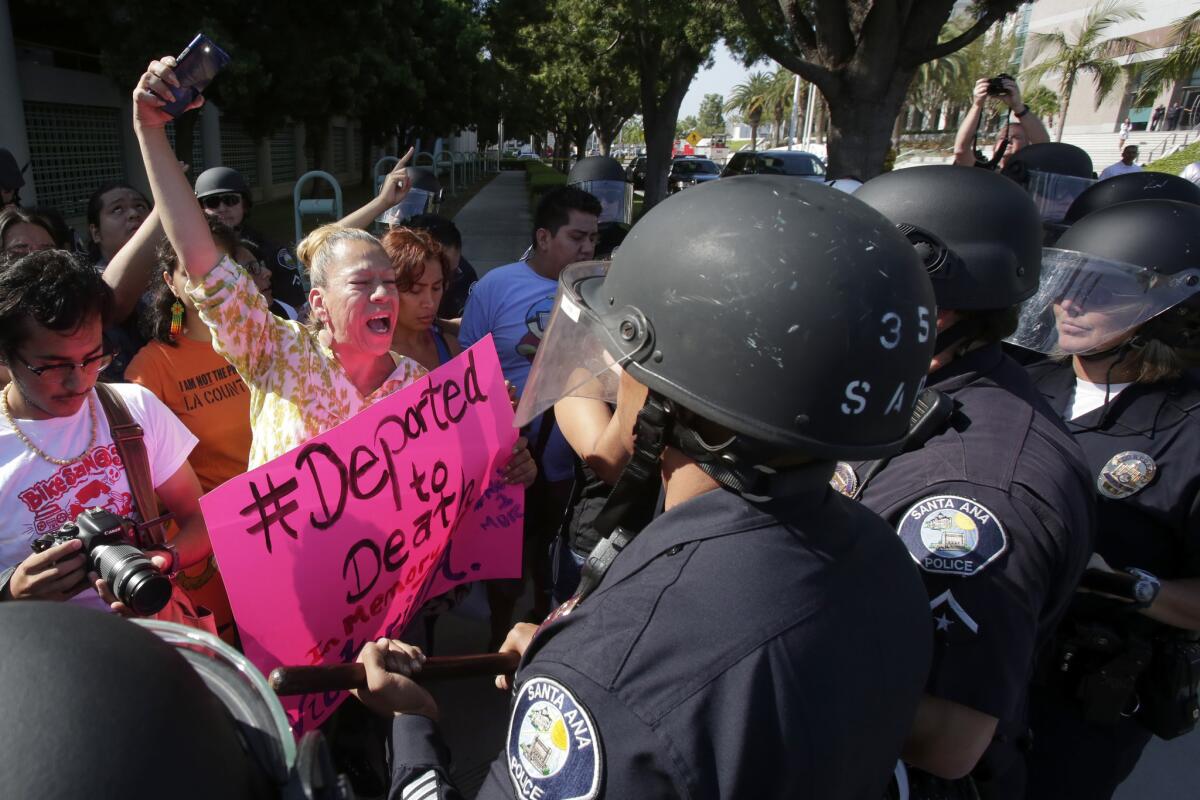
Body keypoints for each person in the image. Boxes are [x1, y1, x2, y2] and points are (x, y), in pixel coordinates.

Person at [375, 174, 939, 799]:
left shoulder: (613, 669)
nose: (606, 372)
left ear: (672, 402)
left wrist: (414, 726)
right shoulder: (884, 553)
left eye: (622, 358)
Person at [852, 166, 1095, 799]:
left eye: (854, 285)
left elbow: (947, 737)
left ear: (933, 310)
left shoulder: (970, 496)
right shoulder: (930, 394)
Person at [1008, 199, 1200, 800]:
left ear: (1172, 312)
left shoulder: (1190, 431)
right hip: (992, 661)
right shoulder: (1021, 385)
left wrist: (1124, 585)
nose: (1068, 302)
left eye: (1102, 289)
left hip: (1084, 693)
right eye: (1067, 281)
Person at [0, 250, 214, 611]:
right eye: (52, 366)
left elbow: (199, 519)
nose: (78, 380)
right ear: (6, 354)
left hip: (152, 637)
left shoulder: (133, 409)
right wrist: (12, 592)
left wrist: (163, 560)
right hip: (43, 655)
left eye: (93, 358)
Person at [459, 185, 599, 645]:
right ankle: (499, 654)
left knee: (556, 562)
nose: (587, 248)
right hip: (509, 461)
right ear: (543, 237)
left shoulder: (600, 289)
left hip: (571, 461)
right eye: (576, 237)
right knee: (504, 568)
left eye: (593, 238)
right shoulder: (496, 287)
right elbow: (467, 374)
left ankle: (548, 642)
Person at [125, 216, 251, 645]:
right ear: (171, 283)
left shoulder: (266, 342)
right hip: (213, 552)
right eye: (194, 271)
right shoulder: (151, 369)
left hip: (291, 523)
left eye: (222, 267)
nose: (210, 282)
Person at [194, 166, 307, 310]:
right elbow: (174, 310)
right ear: (201, 208)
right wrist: (175, 330)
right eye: (212, 202)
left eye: (230, 200)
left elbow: (296, 310)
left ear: (244, 205)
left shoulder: (270, 250)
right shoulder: (188, 253)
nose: (222, 208)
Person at [381, 226, 459, 371]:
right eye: (415, 290)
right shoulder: (369, 359)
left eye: (436, 288)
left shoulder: (451, 348)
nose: (429, 302)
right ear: (387, 288)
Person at [954, 76, 1051, 171]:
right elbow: (960, 151)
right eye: (1003, 137)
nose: (1008, 140)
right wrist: (977, 105)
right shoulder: (983, 171)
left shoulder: (1029, 173)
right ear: (994, 146)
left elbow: (1044, 147)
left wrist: (1018, 106)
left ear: (1027, 146)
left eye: (1016, 137)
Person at [404, 213, 479, 320]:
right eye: (416, 289)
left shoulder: (465, 276)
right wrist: (382, 202)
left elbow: (474, 324)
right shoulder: (389, 274)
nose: (429, 303)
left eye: (451, 273)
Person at [565, 156, 632, 257]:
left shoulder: (628, 240)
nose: (603, 204)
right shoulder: (564, 238)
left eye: (611, 196)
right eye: (596, 197)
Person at [87, 181, 151, 267]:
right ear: (96, 233)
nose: (134, 213)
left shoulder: (171, 271)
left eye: (140, 206)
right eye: (117, 209)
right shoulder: (90, 279)